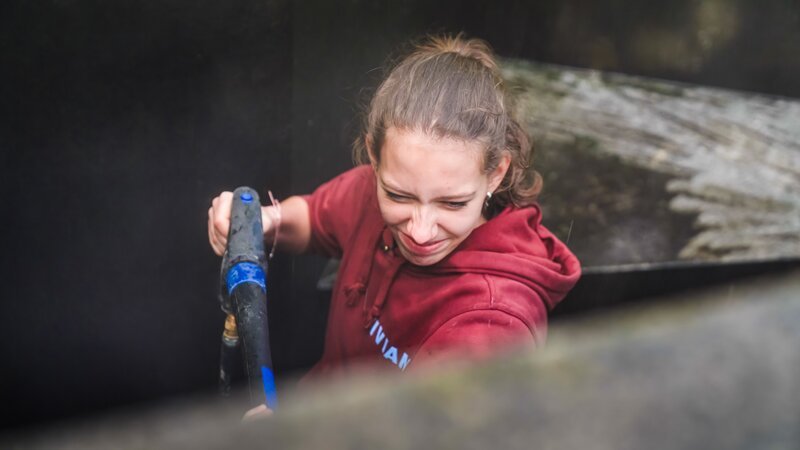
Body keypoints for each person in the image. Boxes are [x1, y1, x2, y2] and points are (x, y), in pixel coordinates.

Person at [208, 34, 581, 411]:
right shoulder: (368, 192)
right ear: (374, 156)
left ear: (496, 173)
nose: (419, 231)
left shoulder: (493, 326)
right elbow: (316, 218)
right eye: (399, 196)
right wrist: (262, 221)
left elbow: (420, 432)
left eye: (452, 203)